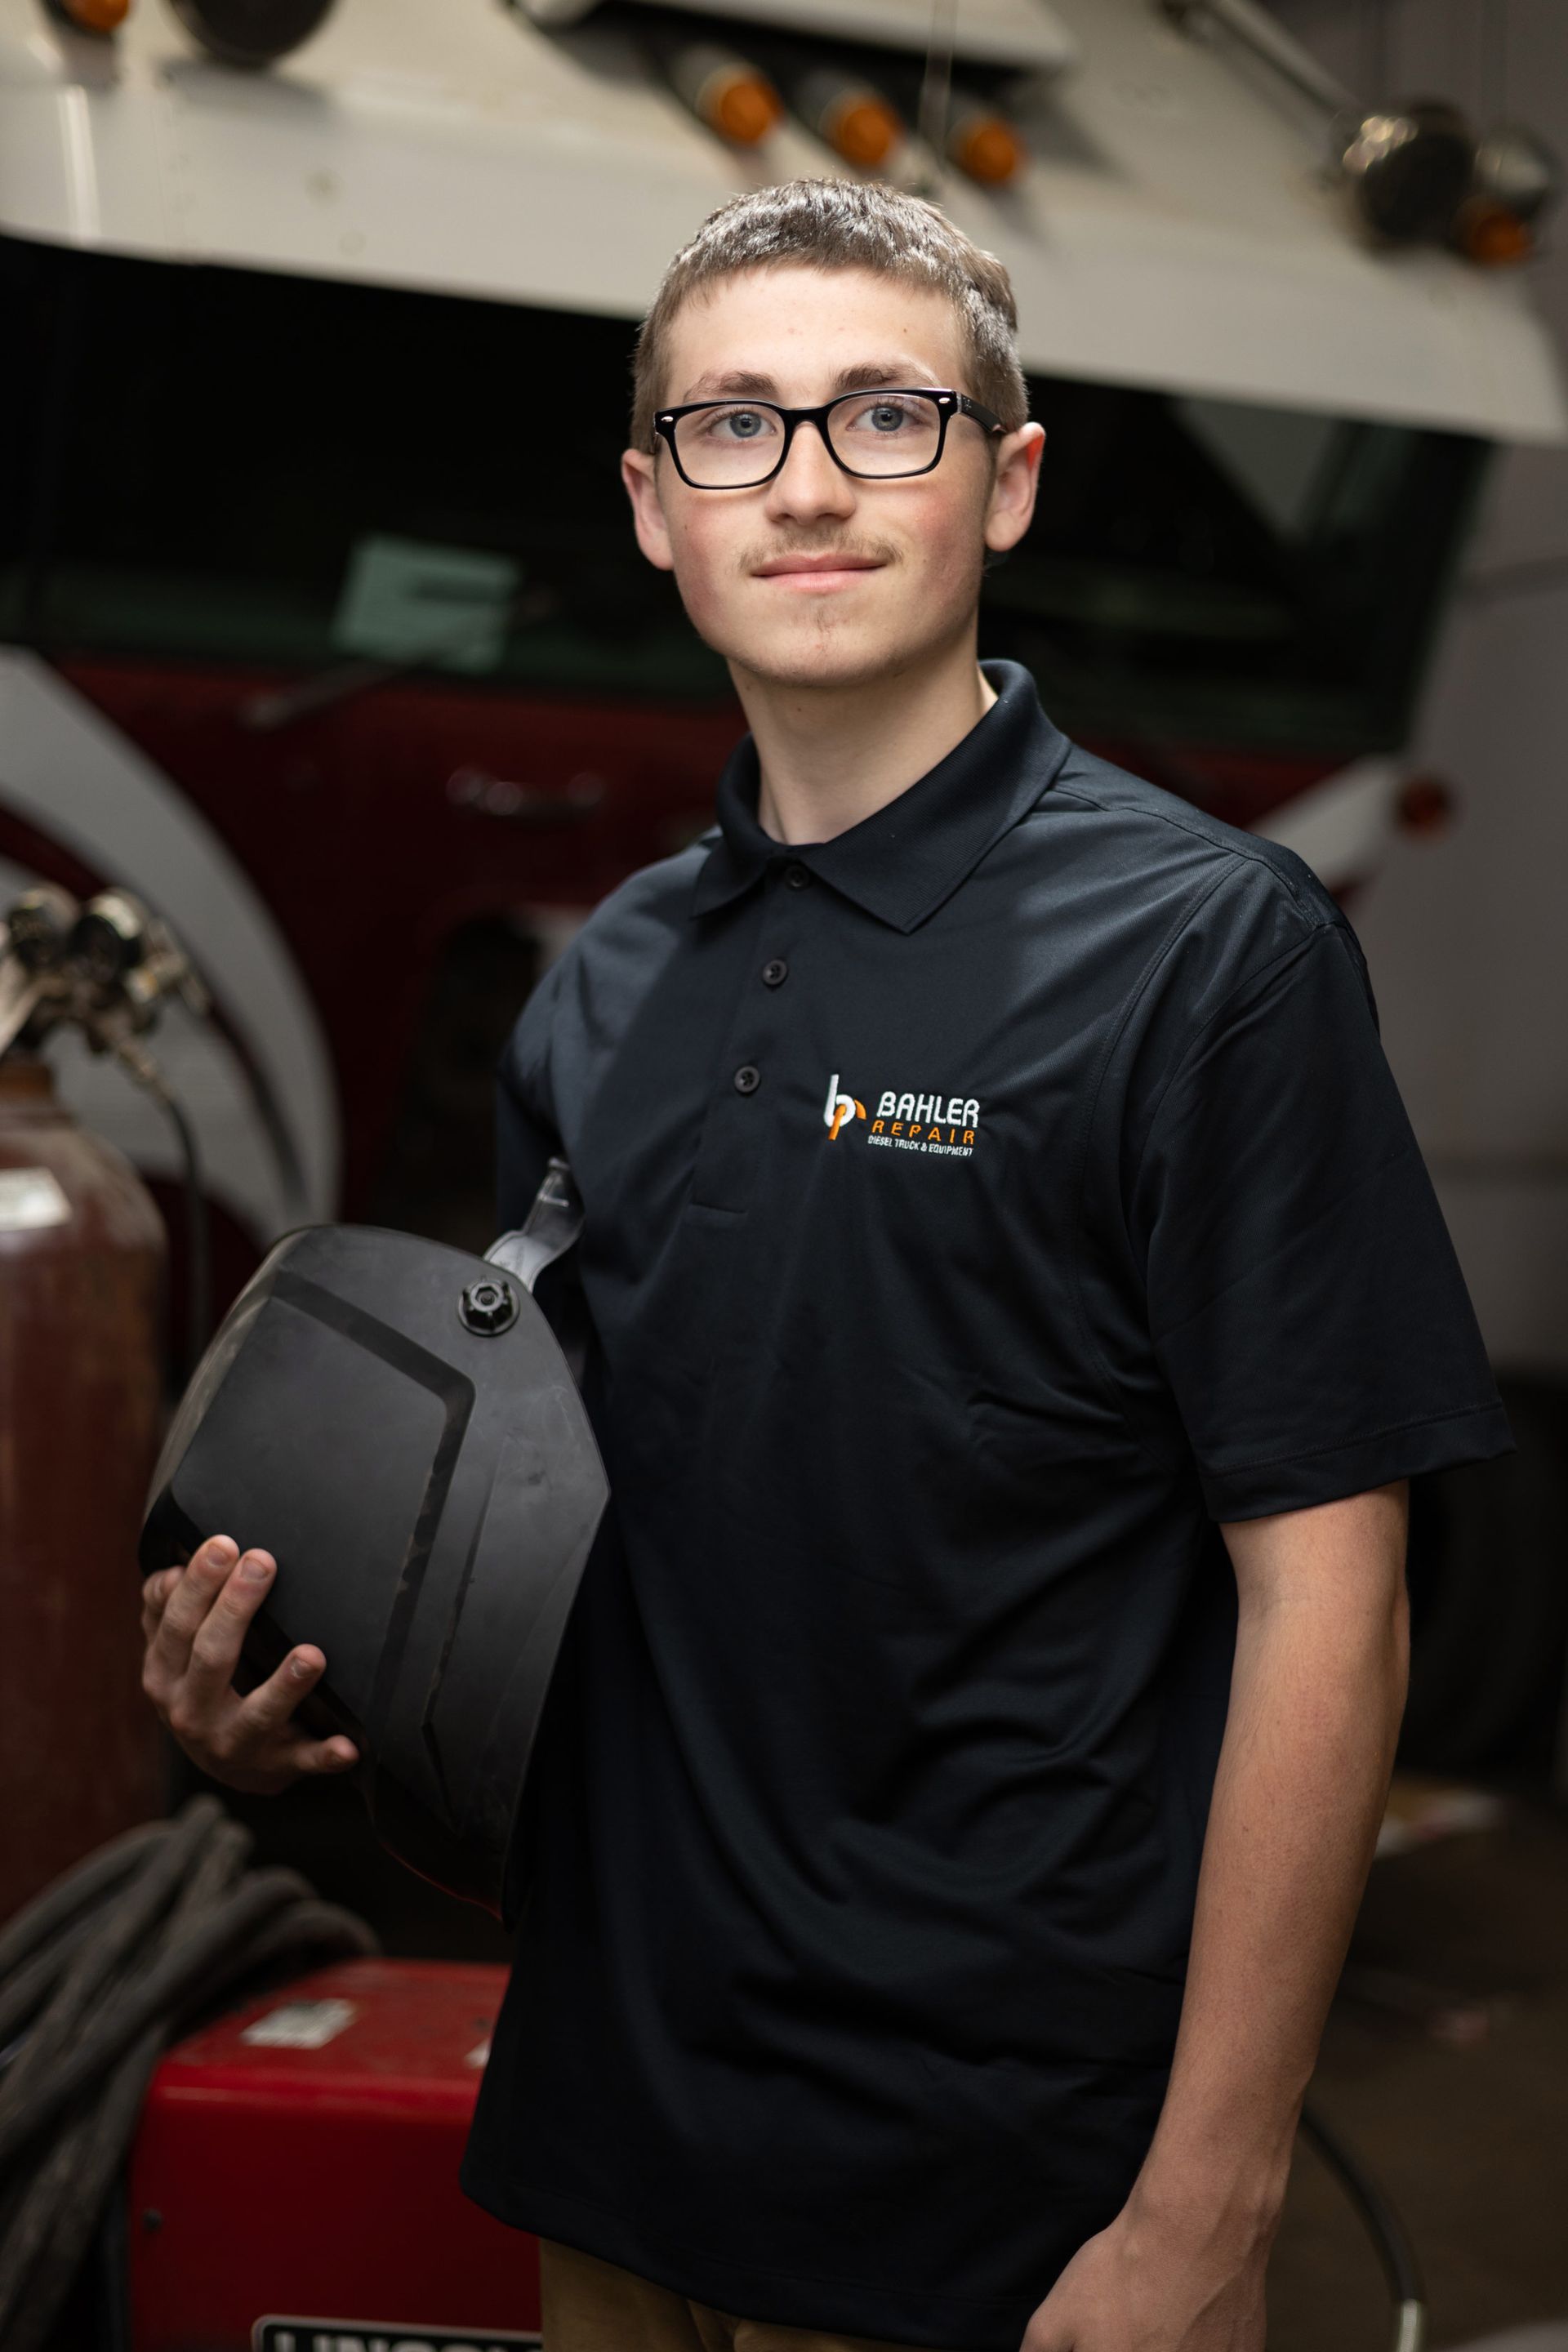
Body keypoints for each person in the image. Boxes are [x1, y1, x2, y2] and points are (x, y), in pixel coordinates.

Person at [140, 180, 1512, 2352]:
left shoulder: (1207, 956)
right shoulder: (603, 992)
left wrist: (1207, 2211)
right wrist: (293, 1709)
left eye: (887, 416)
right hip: (610, 2117)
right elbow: (551, 1536)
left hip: (998, 2185)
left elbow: (1330, 1595)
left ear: (1008, 478)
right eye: (732, 427)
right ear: (653, 504)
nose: (803, 484)